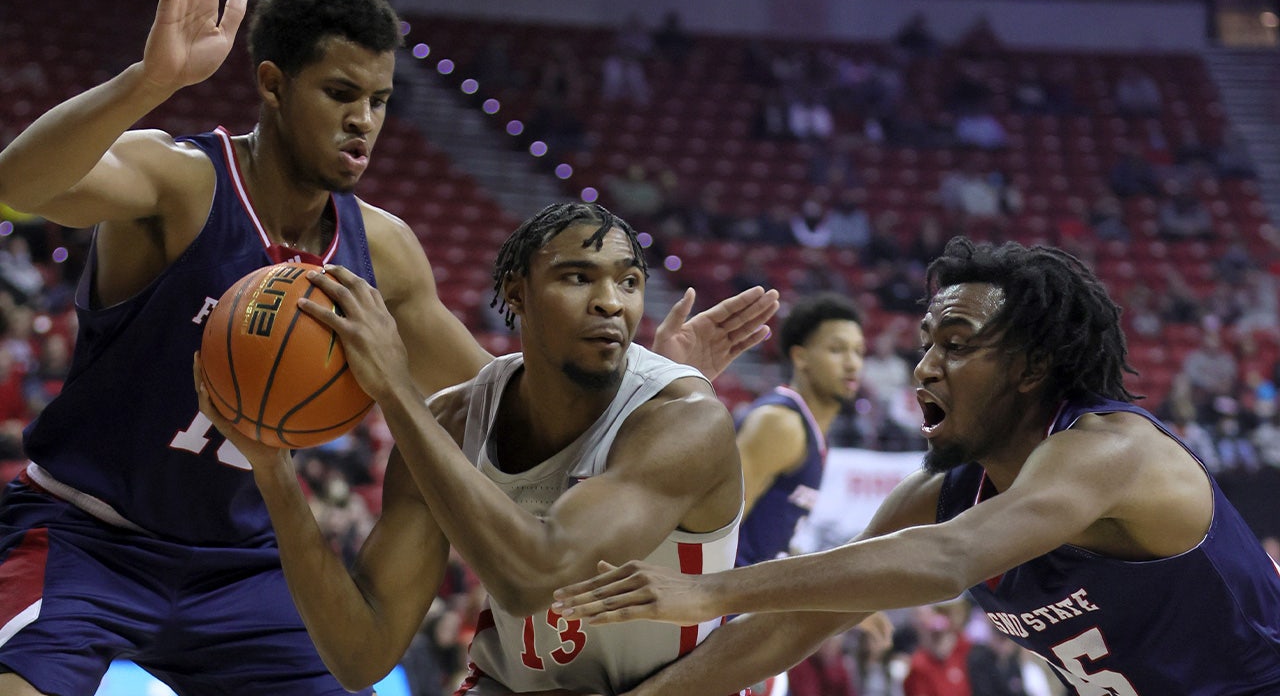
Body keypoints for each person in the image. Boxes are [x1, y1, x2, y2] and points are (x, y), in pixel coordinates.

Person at [0, 0, 777, 694]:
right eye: (340, 93)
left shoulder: (385, 251)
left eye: (377, 99)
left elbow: (500, 397)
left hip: (242, 565)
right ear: (271, 84)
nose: (362, 120)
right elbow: (18, 186)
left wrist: (636, 376)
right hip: (84, 534)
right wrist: (152, 83)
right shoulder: (182, 182)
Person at [552, 236, 1280, 695]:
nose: (924, 366)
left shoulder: (1113, 453)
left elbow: (946, 560)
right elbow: (789, 625)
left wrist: (707, 592)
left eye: (956, 343)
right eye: (926, 341)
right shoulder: (941, 494)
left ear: (1031, 366)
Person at [195, 202, 747, 695]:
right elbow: (362, 656)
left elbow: (534, 579)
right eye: (578, 277)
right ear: (515, 292)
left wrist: (395, 389)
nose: (610, 303)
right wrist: (273, 470)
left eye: (628, 282)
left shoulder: (684, 420)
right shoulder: (455, 419)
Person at [736, 292, 864, 567]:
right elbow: (715, 525)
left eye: (858, 351)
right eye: (837, 349)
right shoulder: (781, 424)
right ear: (800, 357)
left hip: (746, 595)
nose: (852, 363)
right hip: (722, 602)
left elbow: (769, 541)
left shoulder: (812, 429)